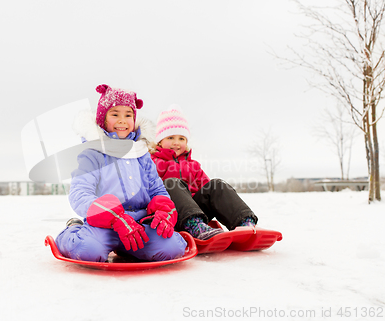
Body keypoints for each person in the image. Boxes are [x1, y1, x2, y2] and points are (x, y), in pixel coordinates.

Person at [55, 85, 187, 262]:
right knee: (87, 251)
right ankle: (72, 230)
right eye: (115, 114)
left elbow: (157, 190)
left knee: (173, 248)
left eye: (128, 115)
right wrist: (114, 216)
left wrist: (164, 209)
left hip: (140, 224)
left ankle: (128, 249)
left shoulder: (141, 153)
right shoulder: (93, 153)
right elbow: (79, 194)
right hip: (104, 224)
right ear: (103, 119)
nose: (122, 120)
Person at [150, 105, 258, 240]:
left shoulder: (193, 166)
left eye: (181, 138)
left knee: (216, 185)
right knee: (172, 183)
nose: (176, 143)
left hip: (197, 213)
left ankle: (245, 223)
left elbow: (209, 192)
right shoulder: (152, 162)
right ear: (160, 141)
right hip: (168, 214)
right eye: (171, 137)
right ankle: (194, 225)